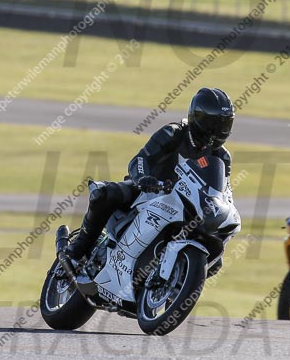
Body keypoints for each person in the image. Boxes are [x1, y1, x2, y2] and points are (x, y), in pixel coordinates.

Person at [66, 87, 236, 268]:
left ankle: (171, 287)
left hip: (186, 207)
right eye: (212, 123)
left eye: (224, 124)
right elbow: (140, 159)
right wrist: (143, 178)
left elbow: (223, 192)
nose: (217, 130)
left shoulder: (222, 157)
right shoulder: (174, 133)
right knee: (105, 193)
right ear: (197, 118)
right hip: (150, 192)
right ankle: (79, 248)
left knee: (215, 262)